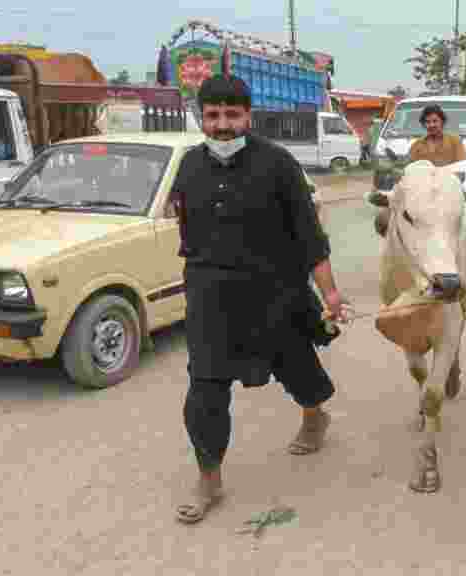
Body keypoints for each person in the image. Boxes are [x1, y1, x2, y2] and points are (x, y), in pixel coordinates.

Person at [169, 75, 348, 525]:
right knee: (205, 389)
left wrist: (329, 293)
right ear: (201, 117)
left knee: (296, 366)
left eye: (232, 115)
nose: (222, 125)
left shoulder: (279, 164)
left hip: (275, 293)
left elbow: (309, 236)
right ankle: (209, 478)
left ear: (248, 116)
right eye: (213, 115)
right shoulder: (188, 165)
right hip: (211, 299)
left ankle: (314, 415)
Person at [372, 104, 466, 236]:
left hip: (448, 189)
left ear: (442, 122)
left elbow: (462, 168)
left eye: (435, 121)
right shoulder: (417, 145)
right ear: (424, 125)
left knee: (465, 218)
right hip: (420, 192)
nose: (431, 125)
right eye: (427, 122)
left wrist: (444, 180)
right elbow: (408, 170)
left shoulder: (455, 142)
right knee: (384, 220)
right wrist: (396, 173)